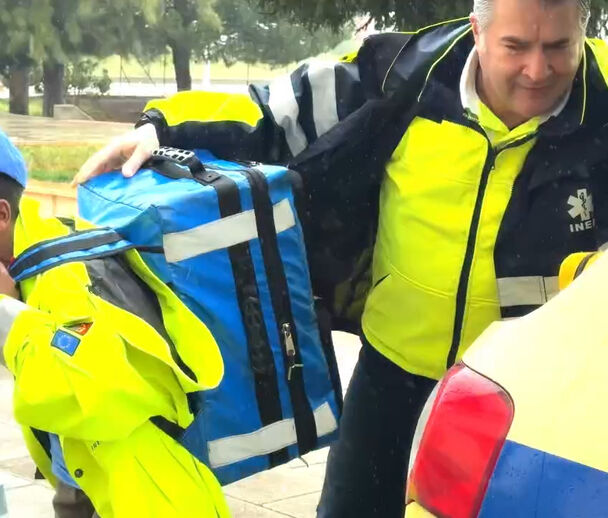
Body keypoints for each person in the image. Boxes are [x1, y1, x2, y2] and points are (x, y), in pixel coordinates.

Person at [74, 1, 608, 516]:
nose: (538, 69)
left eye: (559, 46)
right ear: (477, 30)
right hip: (392, 373)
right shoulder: (405, 75)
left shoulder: (601, 105)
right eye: (516, 46)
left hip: (518, 398)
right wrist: (160, 127)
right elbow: (277, 106)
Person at [0, 121, 229, 518]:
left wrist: (2, 315)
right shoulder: (29, 263)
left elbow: (94, 389)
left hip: (150, 499)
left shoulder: (62, 276)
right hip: (97, 483)